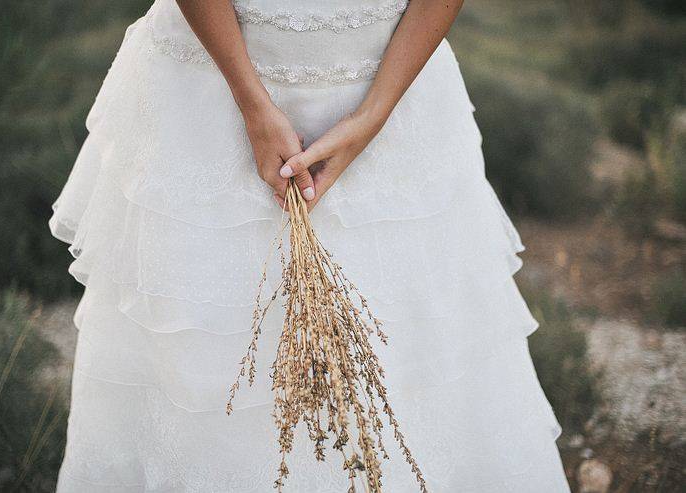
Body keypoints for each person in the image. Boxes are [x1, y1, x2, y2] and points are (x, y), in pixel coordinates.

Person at [49, 0, 571, 491]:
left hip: (393, 87)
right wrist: (253, 106)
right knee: (207, 360)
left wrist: (372, 117)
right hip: (210, 93)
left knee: (416, 352)